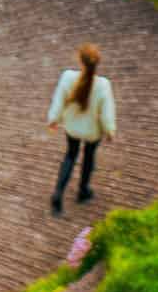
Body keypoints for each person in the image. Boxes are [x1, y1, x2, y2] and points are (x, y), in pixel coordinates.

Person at [47, 42, 116, 215]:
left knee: (70, 155)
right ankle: (83, 190)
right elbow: (107, 114)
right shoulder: (103, 85)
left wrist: (53, 119)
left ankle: (57, 194)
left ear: (79, 60)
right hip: (92, 131)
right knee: (89, 156)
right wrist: (109, 130)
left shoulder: (67, 77)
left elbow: (58, 100)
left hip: (72, 128)